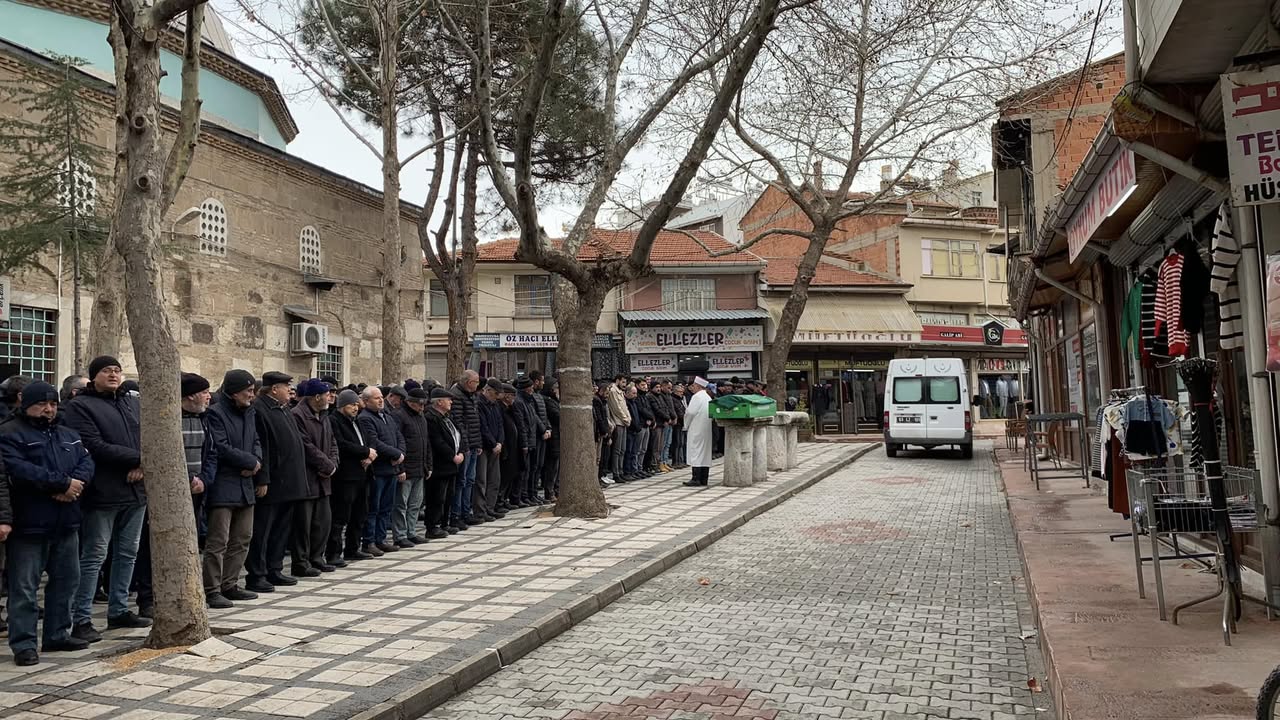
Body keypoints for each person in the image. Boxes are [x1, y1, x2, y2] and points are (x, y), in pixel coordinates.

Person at [0, 381, 95, 666]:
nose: (48, 409)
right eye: (42, 404)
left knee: (66, 582)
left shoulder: (68, 433)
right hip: (30, 523)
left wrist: (76, 485)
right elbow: (20, 469)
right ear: (25, 404)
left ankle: (57, 634)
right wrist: (62, 483)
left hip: (66, 521)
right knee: (24, 589)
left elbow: (86, 462)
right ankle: (24, 643)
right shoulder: (8, 433)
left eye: (53, 404)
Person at [64, 355, 149, 642]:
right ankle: (82, 618)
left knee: (128, 553)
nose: (113, 375)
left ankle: (118, 609)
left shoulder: (130, 402)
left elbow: (145, 436)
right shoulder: (80, 406)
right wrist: (139, 459)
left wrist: (141, 465)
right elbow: (94, 445)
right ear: (93, 376)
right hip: (103, 491)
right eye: (106, 371)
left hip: (136, 490)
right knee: (95, 556)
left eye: (116, 370)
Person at [135, 373, 215, 616]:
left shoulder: (205, 419)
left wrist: (204, 479)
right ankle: (148, 598)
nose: (208, 396)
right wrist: (186, 479)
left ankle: (183, 593)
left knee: (187, 546)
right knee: (153, 546)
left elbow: (211, 453)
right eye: (203, 392)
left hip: (196, 490)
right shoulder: (166, 419)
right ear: (190, 395)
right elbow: (163, 453)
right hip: (166, 494)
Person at [202, 369, 261, 607]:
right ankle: (212, 588)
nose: (251, 395)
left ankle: (230, 583)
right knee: (218, 541)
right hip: (224, 485)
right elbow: (221, 446)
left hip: (246, 483)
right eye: (248, 391)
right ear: (234, 392)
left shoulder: (250, 412)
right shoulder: (215, 413)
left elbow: (256, 441)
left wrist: (257, 462)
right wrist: (248, 462)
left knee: (242, 537)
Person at [247, 371, 309, 593]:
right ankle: (257, 574)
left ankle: (274, 569)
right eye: (286, 387)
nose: (290, 391)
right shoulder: (260, 410)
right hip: (273, 482)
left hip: (289, 482)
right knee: (263, 531)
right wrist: (263, 479)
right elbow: (263, 447)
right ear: (274, 389)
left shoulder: (283, 409)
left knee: (281, 530)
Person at [291, 379, 338, 576]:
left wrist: (333, 464)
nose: (330, 398)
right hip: (307, 478)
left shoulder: (325, 415)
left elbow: (333, 442)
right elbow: (305, 445)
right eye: (327, 395)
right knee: (304, 524)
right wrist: (325, 464)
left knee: (322, 522)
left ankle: (317, 558)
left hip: (324, 479)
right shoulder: (297, 415)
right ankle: (301, 563)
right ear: (316, 397)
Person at [329, 389, 375, 564]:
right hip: (345, 476)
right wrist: (365, 452)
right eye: (351, 405)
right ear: (342, 406)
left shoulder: (357, 421)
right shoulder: (335, 421)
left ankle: (352, 548)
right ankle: (333, 553)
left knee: (359, 514)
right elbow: (341, 444)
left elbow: (368, 440)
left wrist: (369, 455)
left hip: (362, 473)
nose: (355, 408)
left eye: (357, 404)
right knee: (340, 516)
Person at [358, 386, 405, 554]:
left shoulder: (387, 416)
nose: (380, 400)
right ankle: (369, 541)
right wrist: (395, 453)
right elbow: (374, 442)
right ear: (366, 401)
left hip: (391, 469)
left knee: (386, 507)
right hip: (377, 470)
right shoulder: (365, 418)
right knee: (374, 507)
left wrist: (400, 454)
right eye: (376, 398)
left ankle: (381, 539)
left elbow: (398, 436)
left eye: (381, 397)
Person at [392, 387, 431, 547]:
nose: (422, 408)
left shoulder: (421, 418)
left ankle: (411, 532)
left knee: (415, 503)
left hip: (419, 467)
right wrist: (400, 468)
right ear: (409, 402)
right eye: (419, 405)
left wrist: (428, 465)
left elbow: (426, 443)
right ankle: (400, 535)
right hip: (406, 468)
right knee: (402, 504)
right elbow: (397, 443)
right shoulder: (399, 416)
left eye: (423, 405)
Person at [424, 387, 465, 529]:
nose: (451, 402)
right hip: (440, 464)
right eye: (448, 400)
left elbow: (457, 434)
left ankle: (444, 523)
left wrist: (461, 451)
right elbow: (437, 441)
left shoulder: (447, 417)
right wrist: (452, 455)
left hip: (451, 465)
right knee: (437, 497)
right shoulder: (431, 418)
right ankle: (433, 525)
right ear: (439, 402)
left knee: (448, 495)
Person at [449, 371, 482, 529]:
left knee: (470, 480)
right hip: (465, 445)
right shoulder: (456, 395)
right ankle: (456, 514)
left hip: (474, 443)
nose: (477, 385)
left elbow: (475, 421)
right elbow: (459, 423)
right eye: (475, 382)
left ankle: (466, 512)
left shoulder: (472, 395)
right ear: (468, 382)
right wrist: (466, 445)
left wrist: (478, 443)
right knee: (461, 481)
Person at [475, 379, 505, 520]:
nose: (496, 397)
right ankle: (480, 511)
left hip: (495, 447)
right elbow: (483, 427)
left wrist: (499, 442)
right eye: (495, 393)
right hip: (485, 447)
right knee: (482, 480)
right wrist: (493, 444)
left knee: (494, 479)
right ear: (488, 391)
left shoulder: (495, 405)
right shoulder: (479, 404)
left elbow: (500, 424)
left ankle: (490, 508)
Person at [514, 377, 543, 504]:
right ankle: (521, 495)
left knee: (533, 468)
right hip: (526, 441)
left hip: (533, 439)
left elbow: (534, 419)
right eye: (530, 387)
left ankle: (531, 494)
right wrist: (525, 443)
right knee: (524, 471)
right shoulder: (519, 402)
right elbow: (522, 425)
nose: (532, 389)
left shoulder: (529, 401)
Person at [683, 377, 714, 487]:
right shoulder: (707, 397)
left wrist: (685, 425)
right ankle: (703, 479)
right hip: (706, 428)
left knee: (695, 451)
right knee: (704, 452)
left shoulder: (697, 397)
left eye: (694, 386)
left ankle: (696, 478)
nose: (692, 388)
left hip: (696, 428)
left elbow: (690, 413)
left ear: (698, 386)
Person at [497, 384, 521, 510]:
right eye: (512, 396)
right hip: (506, 447)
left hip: (513, 446)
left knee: (512, 473)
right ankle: (499, 500)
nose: (514, 399)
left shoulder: (510, 409)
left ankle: (504, 498)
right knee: (504, 475)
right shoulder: (500, 409)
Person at [606, 375, 630, 483]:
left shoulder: (620, 391)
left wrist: (629, 418)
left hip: (624, 423)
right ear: (617, 381)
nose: (624, 384)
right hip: (618, 422)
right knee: (617, 450)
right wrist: (625, 419)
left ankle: (620, 471)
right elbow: (616, 408)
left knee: (622, 449)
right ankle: (616, 473)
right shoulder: (613, 391)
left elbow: (625, 407)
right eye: (623, 382)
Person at [541, 380, 561, 502]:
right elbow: (557, 416)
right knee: (551, 467)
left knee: (557, 467)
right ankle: (549, 491)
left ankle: (556, 489)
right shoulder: (548, 402)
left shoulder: (554, 401)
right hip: (553, 439)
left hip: (558, 437)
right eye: (556, 388)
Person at [593, 382, 612, 486]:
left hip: (602, 432)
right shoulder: (597, 401)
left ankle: (599, 477)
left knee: (599, 458)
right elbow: (600, 419)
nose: (607, 395)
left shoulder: (602, 401)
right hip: (598, 433)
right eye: (606, 393)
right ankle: (596, 479)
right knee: (597, 458)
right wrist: (604, 431)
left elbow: (604, 418)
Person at [671, 383, 687, 469]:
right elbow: (678, 411)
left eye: (682, 392)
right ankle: (675, 461)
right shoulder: (674, 399)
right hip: (677, 424)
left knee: (681, 443)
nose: (682, 393)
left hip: (682, 423)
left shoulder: (680, 399)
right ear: (676, 392)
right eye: (680, 392)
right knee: (677, 443)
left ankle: (680, 460)